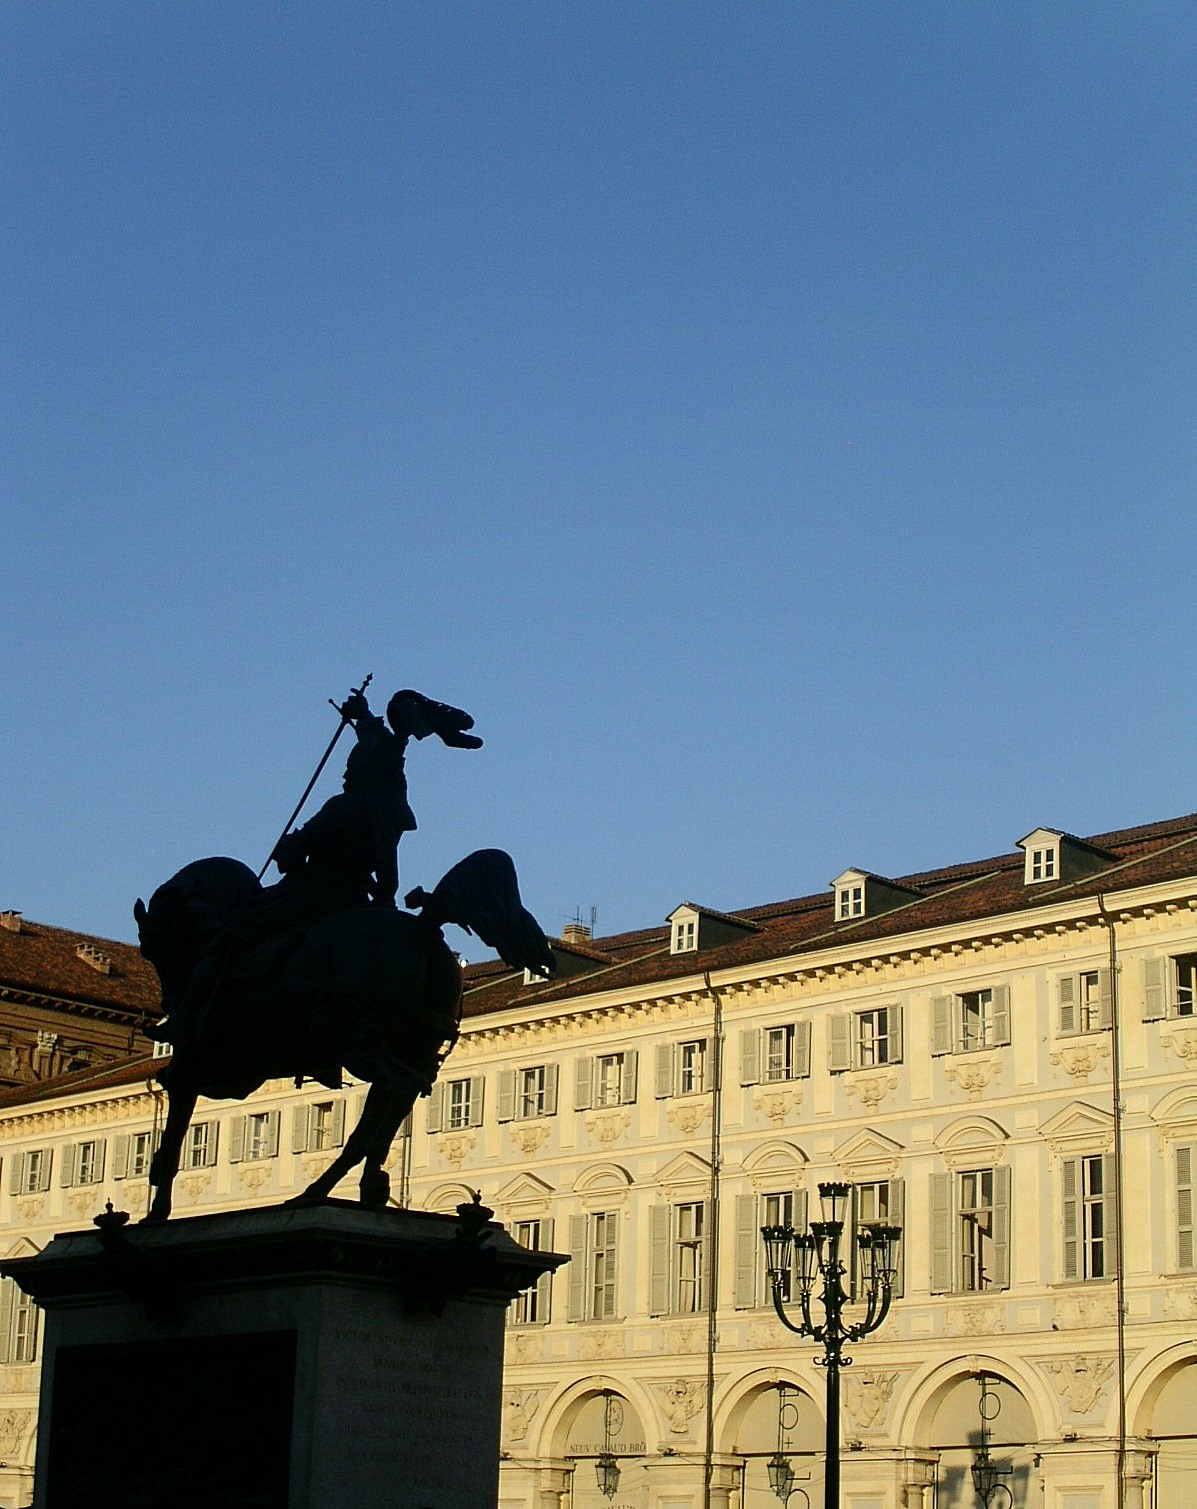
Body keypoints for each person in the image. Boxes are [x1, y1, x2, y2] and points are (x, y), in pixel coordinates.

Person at [271, 688, 482, 907]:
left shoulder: (345, 805)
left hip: (316, 894)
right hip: (357, 894)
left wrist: (286, 846)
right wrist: (363, 714)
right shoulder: (387, 806)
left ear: (361, 767)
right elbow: (379, 744)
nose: (347, 773)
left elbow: (296, 848)